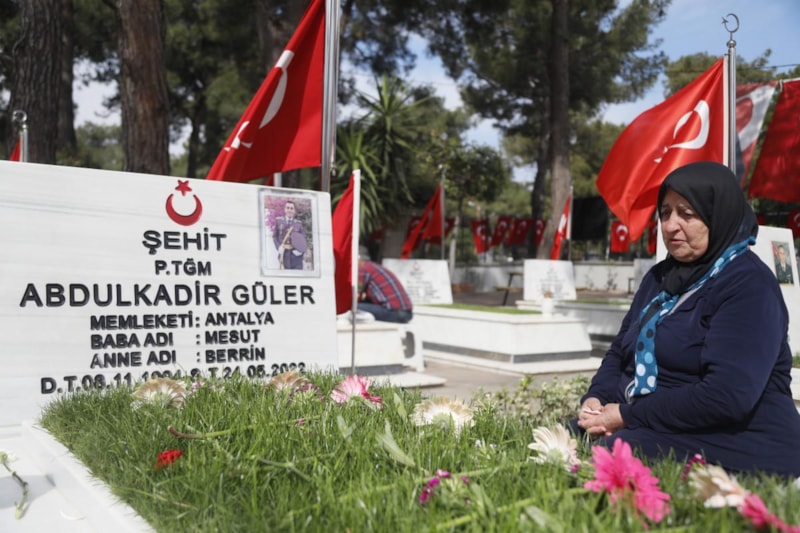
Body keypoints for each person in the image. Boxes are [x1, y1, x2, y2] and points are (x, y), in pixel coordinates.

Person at [574, 161, 800, 478]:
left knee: (618, 449)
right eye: (665, 213)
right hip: (655, 420)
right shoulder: (659, 278)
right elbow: (619, 353)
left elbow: (726, 397)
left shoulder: (748, 285)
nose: (670, 225)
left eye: (687, 214)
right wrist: (595, 400)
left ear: (717, 215)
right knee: (572, 435)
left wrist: (627, 415)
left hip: (740, 434)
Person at [357, 255, 413, 323]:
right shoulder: (373, 266)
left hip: (395, 312)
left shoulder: (362, 269)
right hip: (407, 312)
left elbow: (356, 294)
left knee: (353, 308)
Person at [272, 200, 308, 270]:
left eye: (291, 208)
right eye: (288, 208)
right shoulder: (279, 221)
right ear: (285, 209)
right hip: (283, 256)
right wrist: (278, 247)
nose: (289, 210)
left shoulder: (298, 224)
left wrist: (300, 251)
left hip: (296, 257)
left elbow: (304, 238)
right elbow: (274, 236)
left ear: (294, 211)